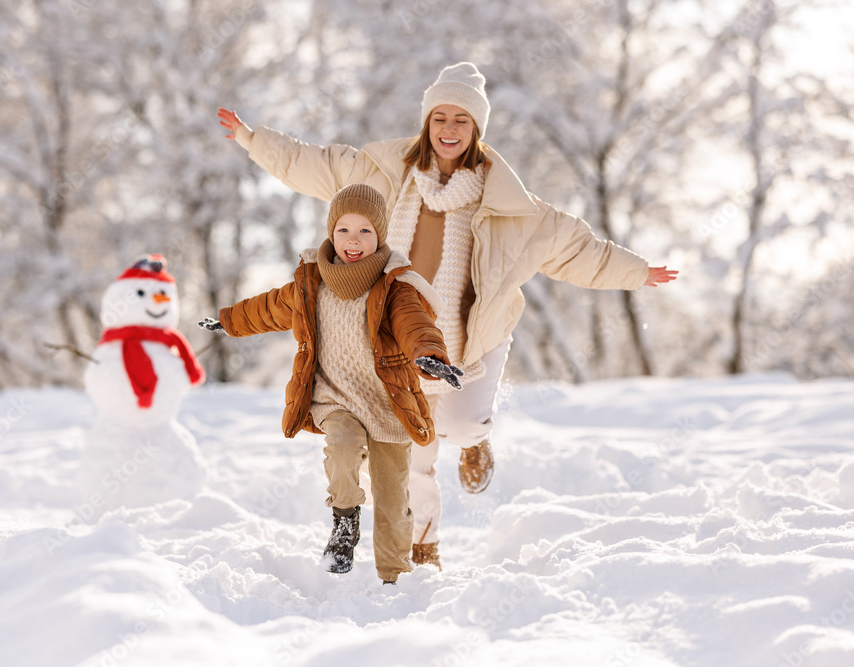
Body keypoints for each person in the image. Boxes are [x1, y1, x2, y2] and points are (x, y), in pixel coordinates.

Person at [217, 62, 678, 568]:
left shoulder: (507, 202)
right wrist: (251, 138)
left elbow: (574, 246)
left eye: (461, 119)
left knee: (460, 425)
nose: (449, 129)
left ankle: (475, 442)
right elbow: (315, 164)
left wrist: (637, 271)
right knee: (413, 444)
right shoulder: (385, 172)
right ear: (427, 122)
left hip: (471, 341)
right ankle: (424, 543)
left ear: (476, 128)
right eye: (440, 117)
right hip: (396, 338)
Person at [198, 183, 463, 585]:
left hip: (387, 403)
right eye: (343, 230)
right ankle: (344, 523)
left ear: (380, 236)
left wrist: (430, 355)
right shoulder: (311, 282)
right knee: (340, 446)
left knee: (393, 501)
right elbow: (269, 307)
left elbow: (415, 324)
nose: (353, 241)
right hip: (334, 397)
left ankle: (395, 578)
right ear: (330, 231)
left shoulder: (396, 286)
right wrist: (230, 320)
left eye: (365, 232)